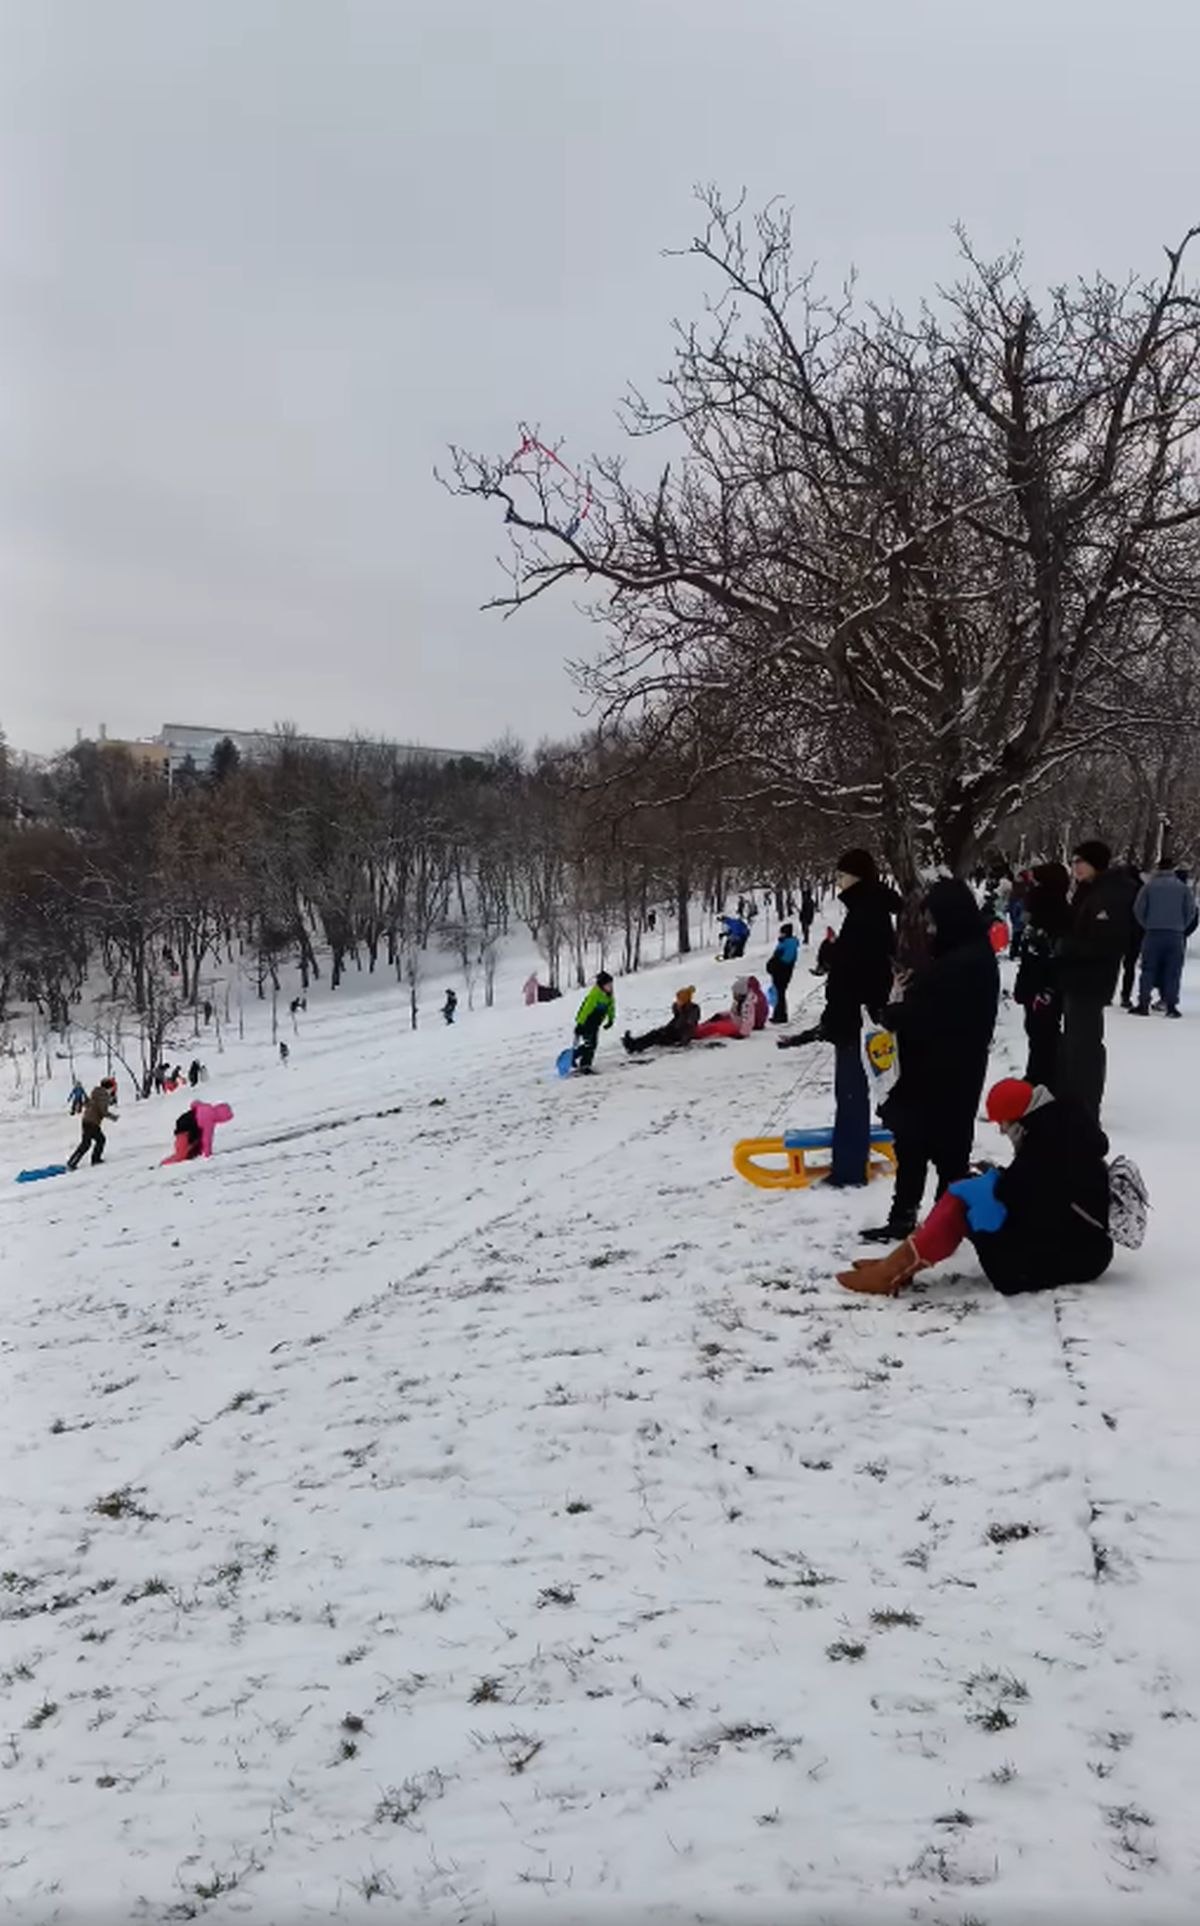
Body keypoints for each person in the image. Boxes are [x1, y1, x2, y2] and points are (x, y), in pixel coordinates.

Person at [838, 1077, 1113, 1297]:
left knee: (964, 1204)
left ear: (1017, 1119)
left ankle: (893, 1271)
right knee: (964, 1192)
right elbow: (1038, 1190)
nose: (1003, 1132)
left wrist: (991, 1185)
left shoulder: (1049, 1140)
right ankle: (896, 1267)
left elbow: (1026, 1194)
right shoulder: (1058, 1126)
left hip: (1072, 1258)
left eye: (1003, 1125)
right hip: (1076, 1245)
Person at [861, 879, 998, 1243]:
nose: (932, 928)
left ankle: (943, 1221)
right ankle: (913, 1217)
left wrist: (893, 1015)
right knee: (918, 1145)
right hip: (945, 1067)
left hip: (944, 1069)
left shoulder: (966, 961)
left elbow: (937, 1013)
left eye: (935, 920)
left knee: (941, 1149)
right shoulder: (964, 953)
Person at [781, 852, 897, 1186]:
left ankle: (849, 1169)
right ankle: (848, 1159)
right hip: (858, 1014)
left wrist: (839, 1012)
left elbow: (859, 973)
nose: (838, 883)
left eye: (842, 876)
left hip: (856, 1018)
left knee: (850, 1092)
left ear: (857, 878)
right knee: (850, 1091)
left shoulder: (866, 913)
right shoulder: (867, 910)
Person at [1056, 840, 1136, 1121]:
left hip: (1090, 981)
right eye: (1074, 861)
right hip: (1077, 978)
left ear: (1096, 864)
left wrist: (1066, 947)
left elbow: (1107, 944)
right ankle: (1074, 1099)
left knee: (1085, 1046)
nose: (1075, 866)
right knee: (1074, 1044)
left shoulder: (1108, 895)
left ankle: (1085, 1107)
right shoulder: (1088, 891)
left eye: (1081, 861)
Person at [1013, 862, 1071, 1089]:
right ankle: (1036, 1075)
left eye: (1036, 882)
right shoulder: (1036, 908)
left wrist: (1047, 988)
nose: (1031, 887)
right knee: (1035, 1032)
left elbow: (1057, 955)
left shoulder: (1058, 912)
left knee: (1045, 1034)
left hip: (1046, 986)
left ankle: (1045, 1079)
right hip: (1032, 981)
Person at [1133, 857, 1197, 1018]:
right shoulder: (1182, 888)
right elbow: (1191, 911)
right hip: (1175, 934)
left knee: (1148, 969)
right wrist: (1181, 926)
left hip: (1153, 933)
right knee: (1173, 971)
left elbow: (1138, 909)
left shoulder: (1149, 887)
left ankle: (1143, 1003)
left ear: (1158, 869)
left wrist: (1147, 924)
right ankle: (1171, 1006)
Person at [622, 986, 700, 1054]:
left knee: (655, 1036)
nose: (677, 1001)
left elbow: (689, 1027)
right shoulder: (682, 1009)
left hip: (678, 1036)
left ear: (684, 1000)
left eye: (679, 999)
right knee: (654, 1033)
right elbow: (676, 1020)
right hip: (673, 1031)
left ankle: (633, 1046)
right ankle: (633, 1044)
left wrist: (683, 1042)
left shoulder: (692, 1010)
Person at [161, 1099, 234, 1165]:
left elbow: (195, 1103)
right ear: (221, 1117)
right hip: (185, 1129)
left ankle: (191, 1153)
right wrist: (207, 1155)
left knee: (191, 1148)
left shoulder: (207, 1107)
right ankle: (164, 1164)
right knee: (181, 1154)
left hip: (183, 1122)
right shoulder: (209, 1120)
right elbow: (207, 1139)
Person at [67, 1078, 118, 1170]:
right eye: (113, 1087)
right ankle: (93, 1160)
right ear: (109, 1087)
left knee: (88, 1143)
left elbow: (88, 1103)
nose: (114, 1089)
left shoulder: (96, 1092)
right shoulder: (104, 1095)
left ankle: (73, 1162)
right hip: (92, 1122)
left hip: (86, 1120)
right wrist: (113, 1117)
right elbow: (103, 1111)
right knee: (98, 1140)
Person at [573, 971, 615, 1073]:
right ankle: (585, 1066)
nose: (610, 987)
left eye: (611, 984)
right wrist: (580, 1024)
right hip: (587, 1023)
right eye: (608, 985)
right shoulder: (595, 995)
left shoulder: (609, 995)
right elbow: (585, 1010)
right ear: (602, 985)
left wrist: (610, 1020)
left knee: (592, 1044)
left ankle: (574, 1056)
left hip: (595, 1024)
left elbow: (611, 1008)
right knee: (590, 1045)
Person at [695, 976, 757, 1040]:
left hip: (737, 1028)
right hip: (733, 1022)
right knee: (713, 1021)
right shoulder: (738, 1002)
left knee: (715, 1027)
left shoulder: (747, 1005)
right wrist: (721, 1015)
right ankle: (696, 1028)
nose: (733, 995)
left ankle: (697, 1033)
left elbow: (748, 1020)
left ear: (740, 993)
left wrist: (742, 1033)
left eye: (735, 993)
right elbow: (734, 1013)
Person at [766, 923, 800, 1024]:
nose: (780, 934)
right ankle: (778, 1014)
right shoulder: (784, 942)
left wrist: (775, 965)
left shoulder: (790, 943)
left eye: (782, 932)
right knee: (778, 993)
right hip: (779, 972)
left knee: (780, 993)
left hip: (783, 972)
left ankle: (781, 1016)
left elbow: (786, 960)